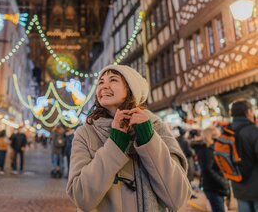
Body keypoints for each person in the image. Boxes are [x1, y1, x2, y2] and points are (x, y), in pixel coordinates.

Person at [66, 64, 191, 211]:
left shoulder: (156, 127)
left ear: (131, 89)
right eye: (101, 82)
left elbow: (178, 198)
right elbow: (81, 197)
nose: (104, 86)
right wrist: (115, 144)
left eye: (113, 80)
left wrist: (148, 139)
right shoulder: (85, 133)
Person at [229, 100, 258, 212]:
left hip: (238, 185)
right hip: (256, 187)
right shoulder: (254, 131)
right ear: (248, 112)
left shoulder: (227, 131)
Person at [198, 126, 230, 212]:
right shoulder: (207, 150)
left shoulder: (211, 148)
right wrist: (222, 181)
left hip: (216, 186)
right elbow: (207, 169)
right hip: (213, 186)